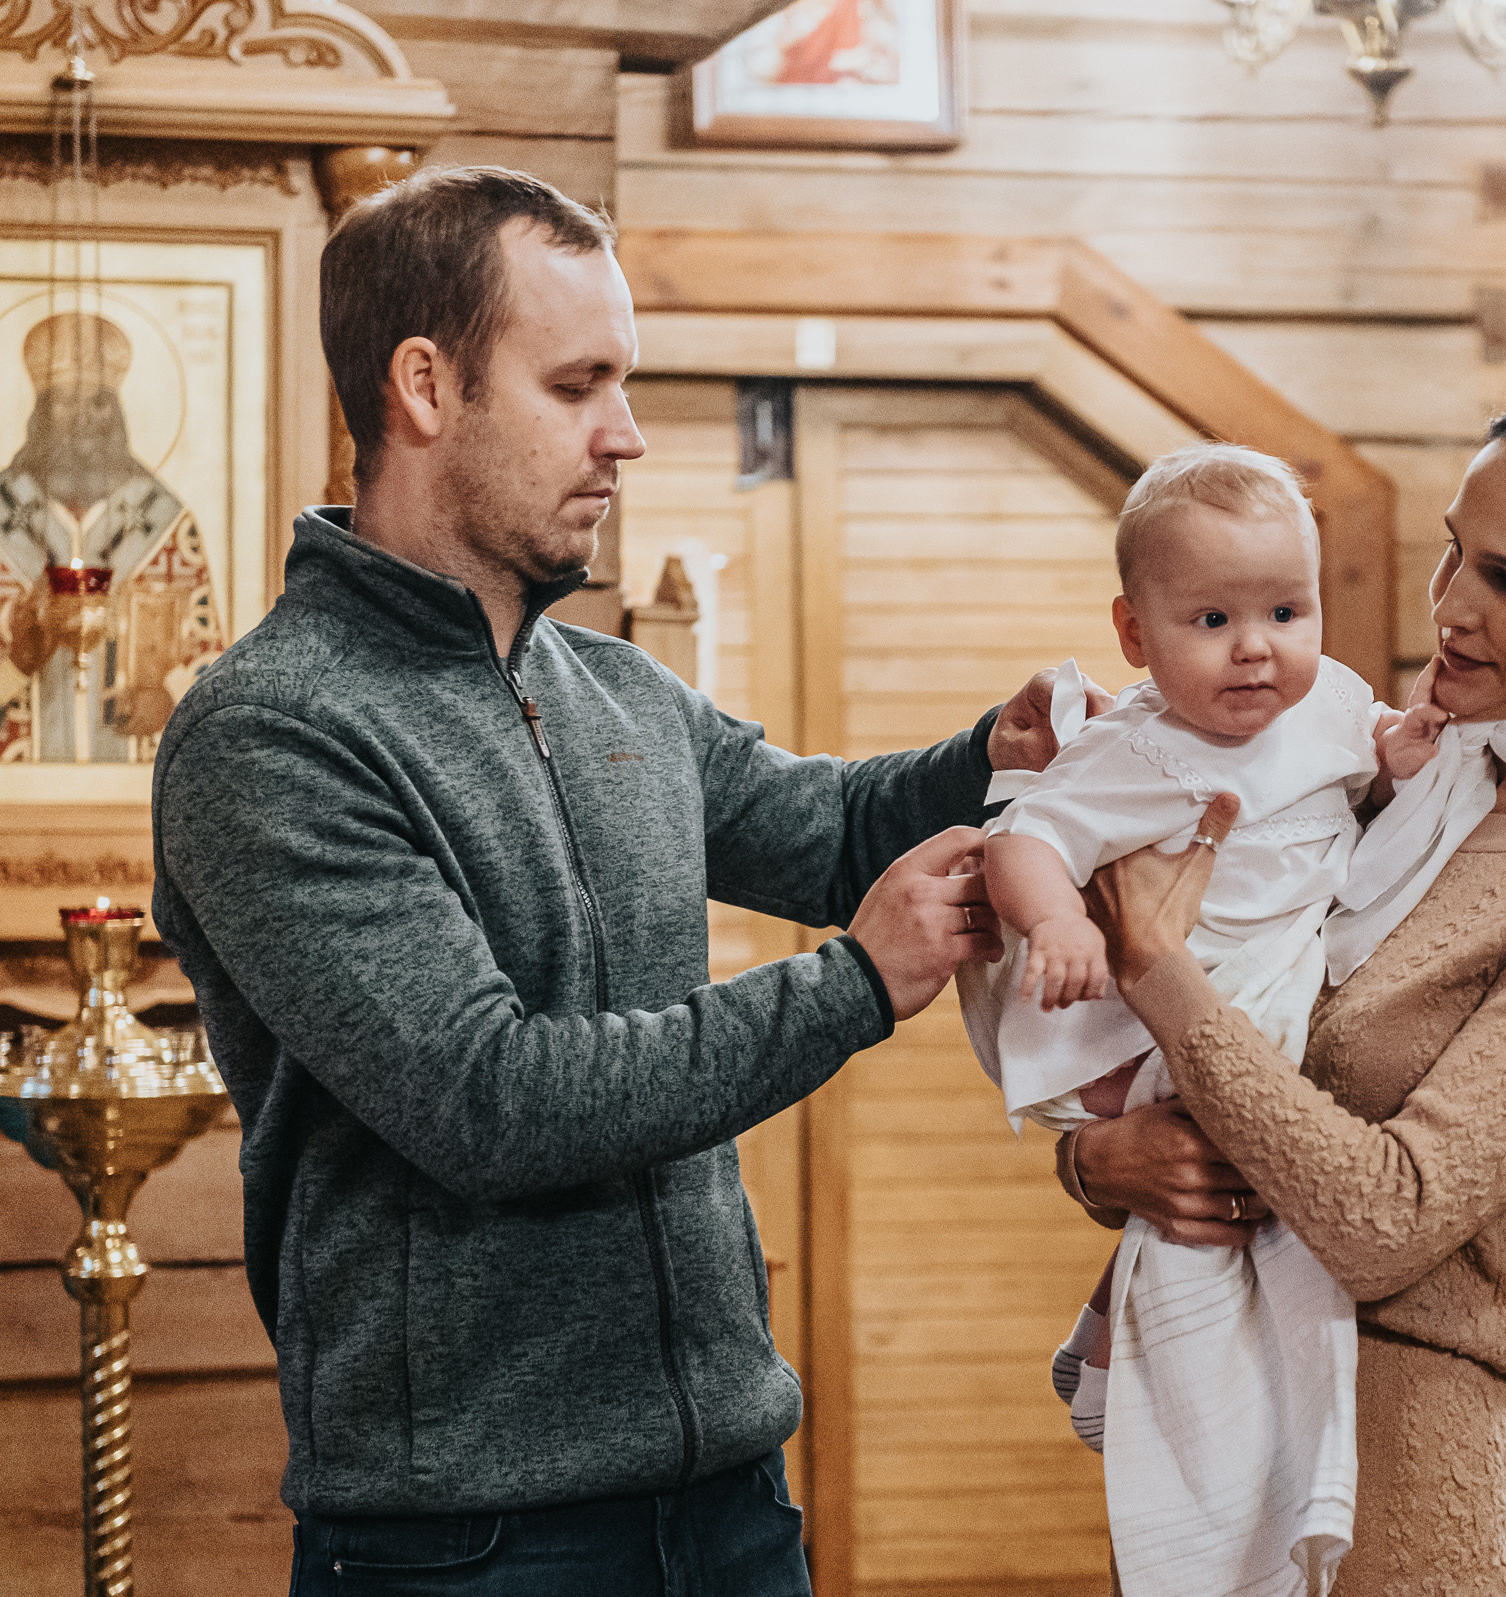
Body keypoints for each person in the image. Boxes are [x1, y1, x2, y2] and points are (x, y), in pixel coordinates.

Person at [150, 165, 1075, 1596]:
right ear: (424, 385)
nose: (626, 436)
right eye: (580, 384)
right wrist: (850, 987)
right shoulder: (273, 734)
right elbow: (489, 1101)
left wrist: (986, 754)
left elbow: (827, 834)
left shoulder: (615, 690)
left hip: (729, 1502)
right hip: (470, 1541)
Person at [1062, 379, 1506, 1595]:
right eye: (1456, 551)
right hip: (1224, 1432)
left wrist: (1156, 972)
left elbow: (1387, 1219)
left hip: (1386, 1475)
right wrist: (1096, 1161)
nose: (1449, 607)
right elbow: (1256, 1057)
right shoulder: (1436, 767)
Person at [960, 442, 1443, 1596]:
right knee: (1212, 1210)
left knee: (1253, 1209)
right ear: (1135, 634)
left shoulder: (1327, 699)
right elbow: (1021, 840)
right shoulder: (1136, 749)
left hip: (1274, 997)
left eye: (1287, 607)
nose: (1256, 646)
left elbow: (1365, 755)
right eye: (1212, 617)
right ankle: (1169, 1422)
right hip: (1178, 1024)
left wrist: (1400, 755)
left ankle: (1178, 1401)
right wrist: (1063, 927)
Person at [0, 311, 221, 763]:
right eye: (65, 402)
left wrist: (170, 703)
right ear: (40, 412)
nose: (83, 420)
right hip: (18, 802)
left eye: (98, 403)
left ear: (118, 409)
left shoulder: (166, 523)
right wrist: (15, 665)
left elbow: (215, 674)